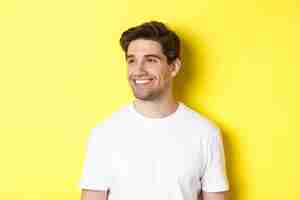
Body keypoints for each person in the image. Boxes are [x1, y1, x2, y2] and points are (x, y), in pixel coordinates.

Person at [79, 21, 230, 200]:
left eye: (151, 60)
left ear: (174, 67)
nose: (138, 70)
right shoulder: (104, 133)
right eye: (131, 60)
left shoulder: (205, 133)